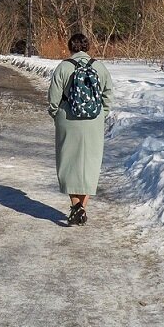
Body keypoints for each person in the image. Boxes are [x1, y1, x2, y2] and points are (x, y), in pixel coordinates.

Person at [47, 32, 113, 226]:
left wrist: (57, 115)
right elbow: (108, 96)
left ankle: (76, 206)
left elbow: (53, 99)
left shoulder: (63, 67)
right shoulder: (99, 67)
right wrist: (101, 114)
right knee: (90, 165)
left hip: (68, 121)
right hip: (94, 122)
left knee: (69, 164)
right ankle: (82, 207)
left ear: (70, 48)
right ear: (87, 47)